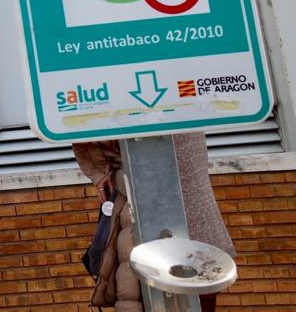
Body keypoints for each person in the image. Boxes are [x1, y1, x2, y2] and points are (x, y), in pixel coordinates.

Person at [73, 133, 234, 312]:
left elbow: (84, 131)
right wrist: (101, 173)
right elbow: (81, 130)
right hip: (156, 218)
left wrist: (102, 172)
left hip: (179, 221)